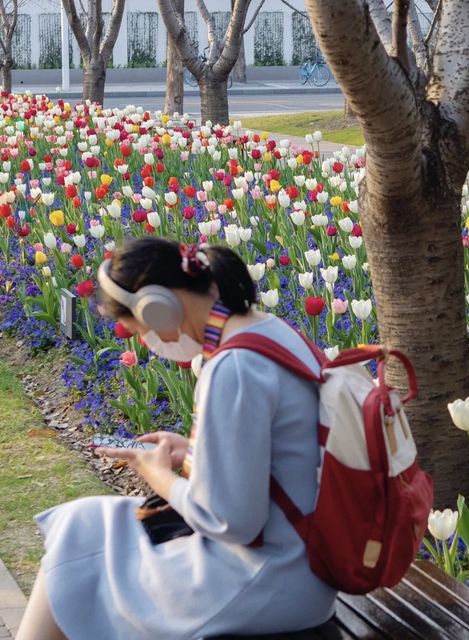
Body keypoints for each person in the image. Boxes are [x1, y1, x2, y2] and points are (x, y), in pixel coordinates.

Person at [16, 237, 337, 640]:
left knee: (78, 552)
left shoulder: (235, 366)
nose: (152, 341)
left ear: (158, 307)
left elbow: (230, 521)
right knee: (84, 523)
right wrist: (196, 453)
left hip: (267, 580)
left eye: (142, 329)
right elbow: (280, 458)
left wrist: (158, 476)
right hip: (297, 561)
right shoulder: (270, 332)